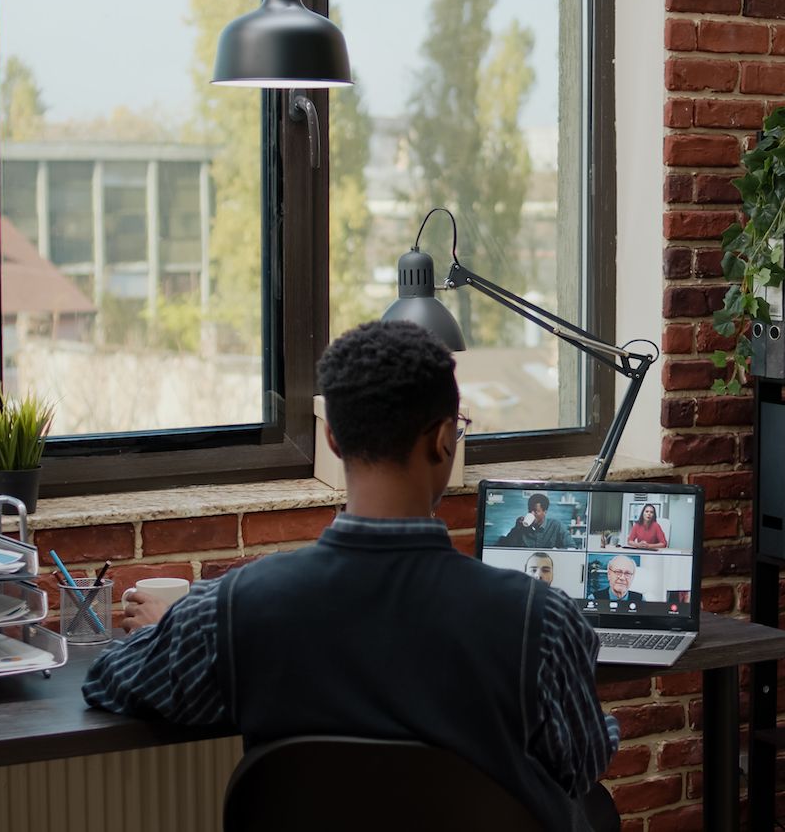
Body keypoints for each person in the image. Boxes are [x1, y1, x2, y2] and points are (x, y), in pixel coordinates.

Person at [83, 321, 621, 832]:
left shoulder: (236, 607)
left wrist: (178, 622)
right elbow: (581, 764)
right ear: (444, 439)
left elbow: (106, 681)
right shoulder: (542, 620)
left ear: (334, 439)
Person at [501, 493, 572, 549]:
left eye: (535, 511)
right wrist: (516, 529)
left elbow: (571, 547)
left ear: (544, 512)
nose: (531, 514)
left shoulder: (556, 526)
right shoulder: (521, 528)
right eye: (529, 510)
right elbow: (506, 546)